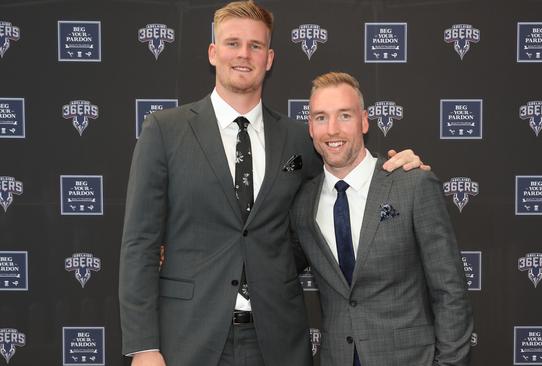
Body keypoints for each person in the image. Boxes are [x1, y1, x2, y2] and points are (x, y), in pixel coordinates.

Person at [118, 2, 424, 366]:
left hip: (278, 341)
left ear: (270, 57)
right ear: (213, 53)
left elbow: (348, 177)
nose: (243, 55)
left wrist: (399, 170)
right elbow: (139, 244)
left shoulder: (299, 139)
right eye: (233, 43)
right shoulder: (164, 131)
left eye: (255, 46)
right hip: (186, 338)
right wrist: (143, 347)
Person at [290, 72, 473, 366]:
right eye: (321, 118)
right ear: (310, 127)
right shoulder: (301, 205)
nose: (332, 129)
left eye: (344, 116)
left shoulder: (412, 185)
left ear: (364, 121)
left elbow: (450, 291)